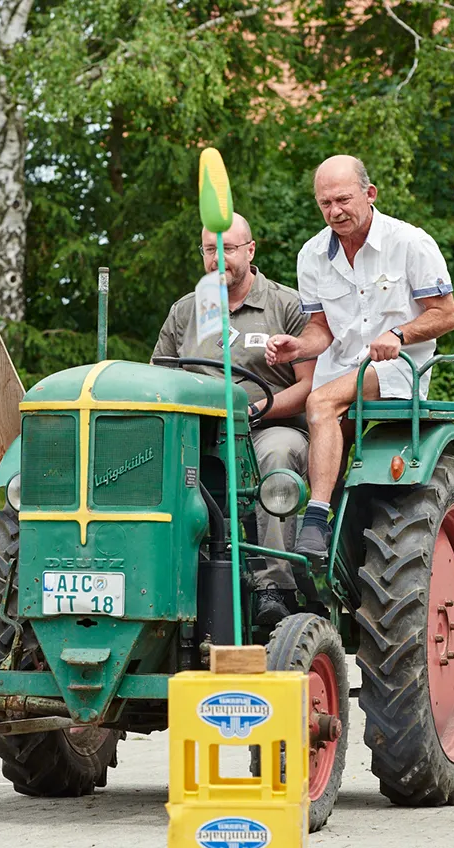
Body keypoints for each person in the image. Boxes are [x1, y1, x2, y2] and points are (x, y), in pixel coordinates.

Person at [265, 155, 454, 559]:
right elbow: (322, 329)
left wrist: (399, 333)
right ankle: (317, 548)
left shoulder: (409, 242)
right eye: (325, 204)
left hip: (397, 369)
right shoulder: (312, 255)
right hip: (343, 367)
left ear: (369, 194)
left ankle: (315, 521)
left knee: (319, 401)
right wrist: (298, 347)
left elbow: (446, 314)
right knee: (315, 423)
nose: (334, 212)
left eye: (343, 200)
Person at [152, 213, 315, 627]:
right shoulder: (186, 311)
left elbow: (309, 387)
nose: (217, 258)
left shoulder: (287, 305)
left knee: (276, 454)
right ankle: (162, 582)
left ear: (249, 250)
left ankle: (274, 587)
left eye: (226, 248)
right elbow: (159, 378)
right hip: (199, 435)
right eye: (210, 249)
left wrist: (258, 409)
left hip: (269, 426)